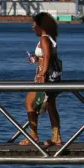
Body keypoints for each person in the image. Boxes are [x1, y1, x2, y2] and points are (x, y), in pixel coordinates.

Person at [22, 12, 63, 146]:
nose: (33, 28)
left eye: (34, 26)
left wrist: (42, 74)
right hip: (50, 76)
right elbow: (44, 56)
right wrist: (34, 58)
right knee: (51, 106)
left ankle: (33, 135)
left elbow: (47, 57)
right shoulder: (50, 38)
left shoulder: (44, 39)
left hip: (44, 77)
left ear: (41, 26)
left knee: (29, 103)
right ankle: (56, 136)